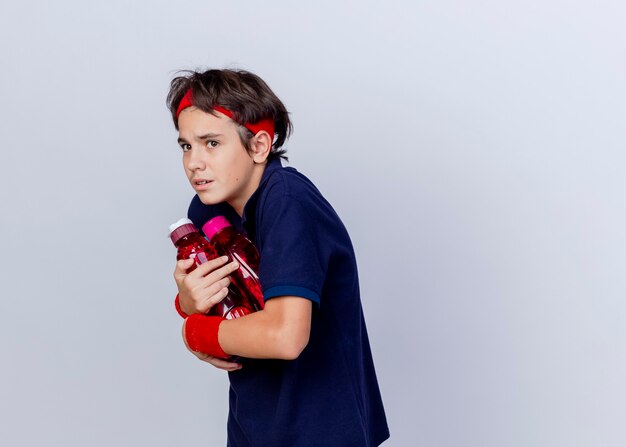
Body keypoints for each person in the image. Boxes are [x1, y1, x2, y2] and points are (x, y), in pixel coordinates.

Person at [168, 68, 389, 447]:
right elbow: (226, 311)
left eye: (211, 143)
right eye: (186, 146)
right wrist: (187, 302)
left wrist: (195, 332)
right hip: (254, 422)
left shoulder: (289, 202)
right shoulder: (207, 210)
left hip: (320, 428)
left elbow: (285, 336)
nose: (194, 162)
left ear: (258, 146)